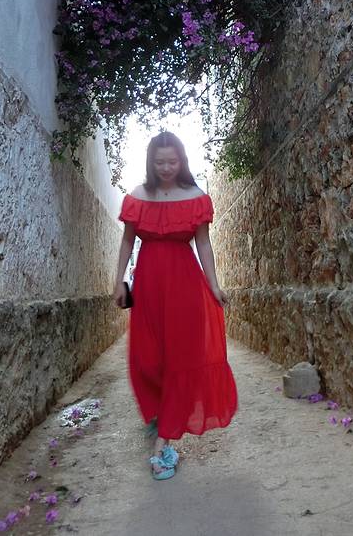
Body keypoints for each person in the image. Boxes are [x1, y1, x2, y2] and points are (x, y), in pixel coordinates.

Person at [113, 131, 238, 480]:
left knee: (179, 361)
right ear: (150, 163)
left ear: (181, 161)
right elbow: (127, 242)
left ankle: (164, 443)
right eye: (160, 162)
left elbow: (204, 245)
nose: (166, 167)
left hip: (185, 287)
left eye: (172, 161)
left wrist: (214, 285)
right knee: (146, 360)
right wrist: (118, 280)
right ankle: (160, 413)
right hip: (148, 286)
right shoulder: (138, 196)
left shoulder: (196, 197)